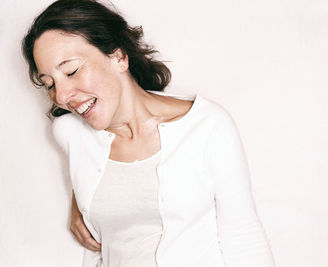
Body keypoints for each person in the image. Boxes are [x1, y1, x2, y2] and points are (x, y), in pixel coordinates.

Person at [22, 0, 275, 266]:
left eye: (71, 71)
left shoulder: (207, 126)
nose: (61, 96)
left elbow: (243, 236)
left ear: (118, 57)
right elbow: (100, 176)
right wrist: (80, 202)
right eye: (49, 84)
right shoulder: (70, 132)